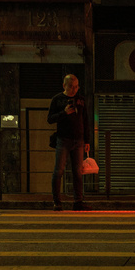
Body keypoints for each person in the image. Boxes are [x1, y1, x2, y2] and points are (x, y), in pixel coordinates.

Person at [47, 74, 87, 211]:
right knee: (59, 171)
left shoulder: (81, 100)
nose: (74, 90)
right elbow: (50, 119)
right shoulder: (57, 100)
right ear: (64, 86)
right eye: (71, 86)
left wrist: (87, 140)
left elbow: (85, 119)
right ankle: (57, 202)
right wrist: (64, 113)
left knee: (78, 172)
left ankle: (78, 201)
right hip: (63, 139)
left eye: (76, 87)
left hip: (79, 140)